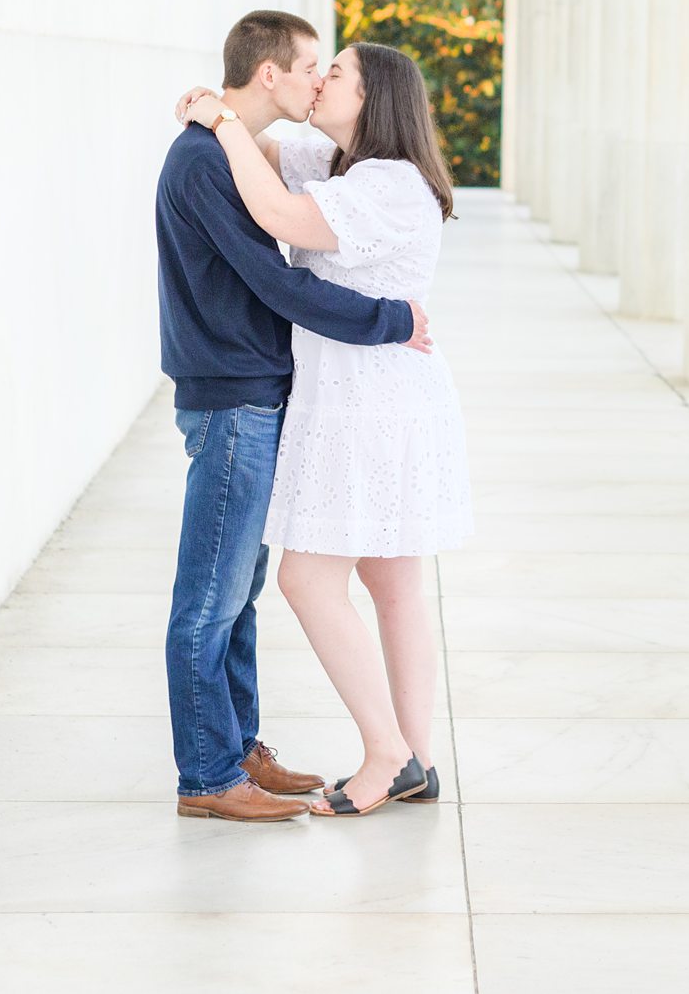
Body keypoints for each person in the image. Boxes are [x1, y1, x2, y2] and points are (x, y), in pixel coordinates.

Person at [176, 40, 472, 817]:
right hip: (370, 395)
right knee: (392, 580)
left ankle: (387, 751)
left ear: (374, 98)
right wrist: (230, 110)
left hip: (367, 400)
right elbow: (269, 148)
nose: (321, 79)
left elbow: (274, 212)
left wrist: (221, 121)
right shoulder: (340, 164)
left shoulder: (386, 183)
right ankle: (417, 759)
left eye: (335, 71)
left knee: (308, 578)